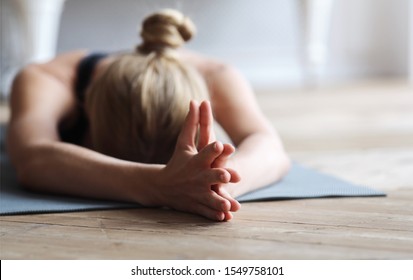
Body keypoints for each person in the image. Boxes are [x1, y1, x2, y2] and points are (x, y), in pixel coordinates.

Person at [6, 9, 290, 221]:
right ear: (88, 104)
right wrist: (159, 186)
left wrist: (217, 185)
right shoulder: (47, 78)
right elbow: (33, 157)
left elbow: (270, 148)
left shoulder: (217, 76)